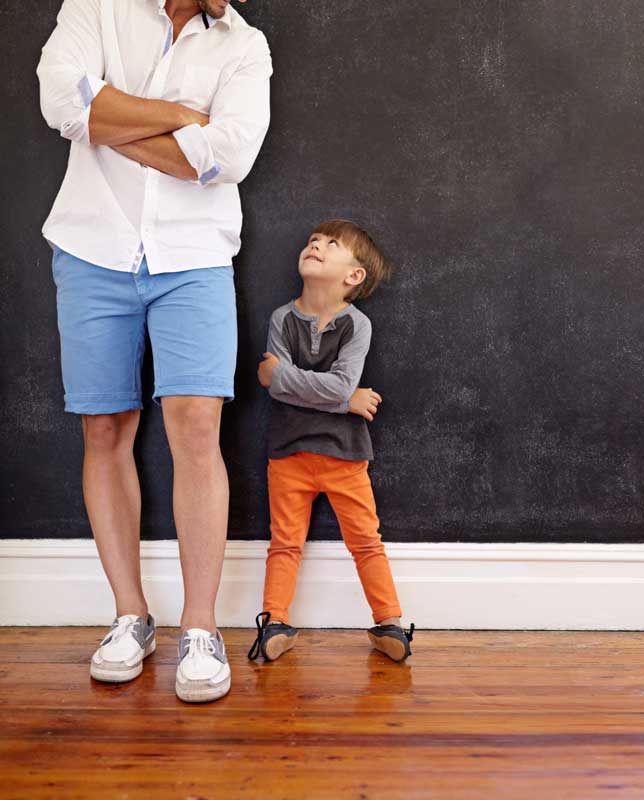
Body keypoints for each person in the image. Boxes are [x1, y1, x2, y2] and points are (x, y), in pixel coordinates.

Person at [37, 0, 272, 703]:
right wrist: (182, 119)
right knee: (104, 427)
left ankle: (200, 628)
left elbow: (228, 158)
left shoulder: (246, 45)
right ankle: (130, 616)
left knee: (198, 428)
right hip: (91, 249)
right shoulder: (94, 6)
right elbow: (60, 101)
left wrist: (109, 116)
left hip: (195, 259)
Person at [249, 219, 415, 666]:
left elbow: (288, 379)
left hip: (346, 456)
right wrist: (345, 400)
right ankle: (275, 620)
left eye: (330, 244)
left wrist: (286, 377)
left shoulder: (356, 325)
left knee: (365, 541)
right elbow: (280, 386)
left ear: (353, 275)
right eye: (312, 241)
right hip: (288, 453)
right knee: (284, 542)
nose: (316, 245)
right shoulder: (282, 319)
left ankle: (390, 622)